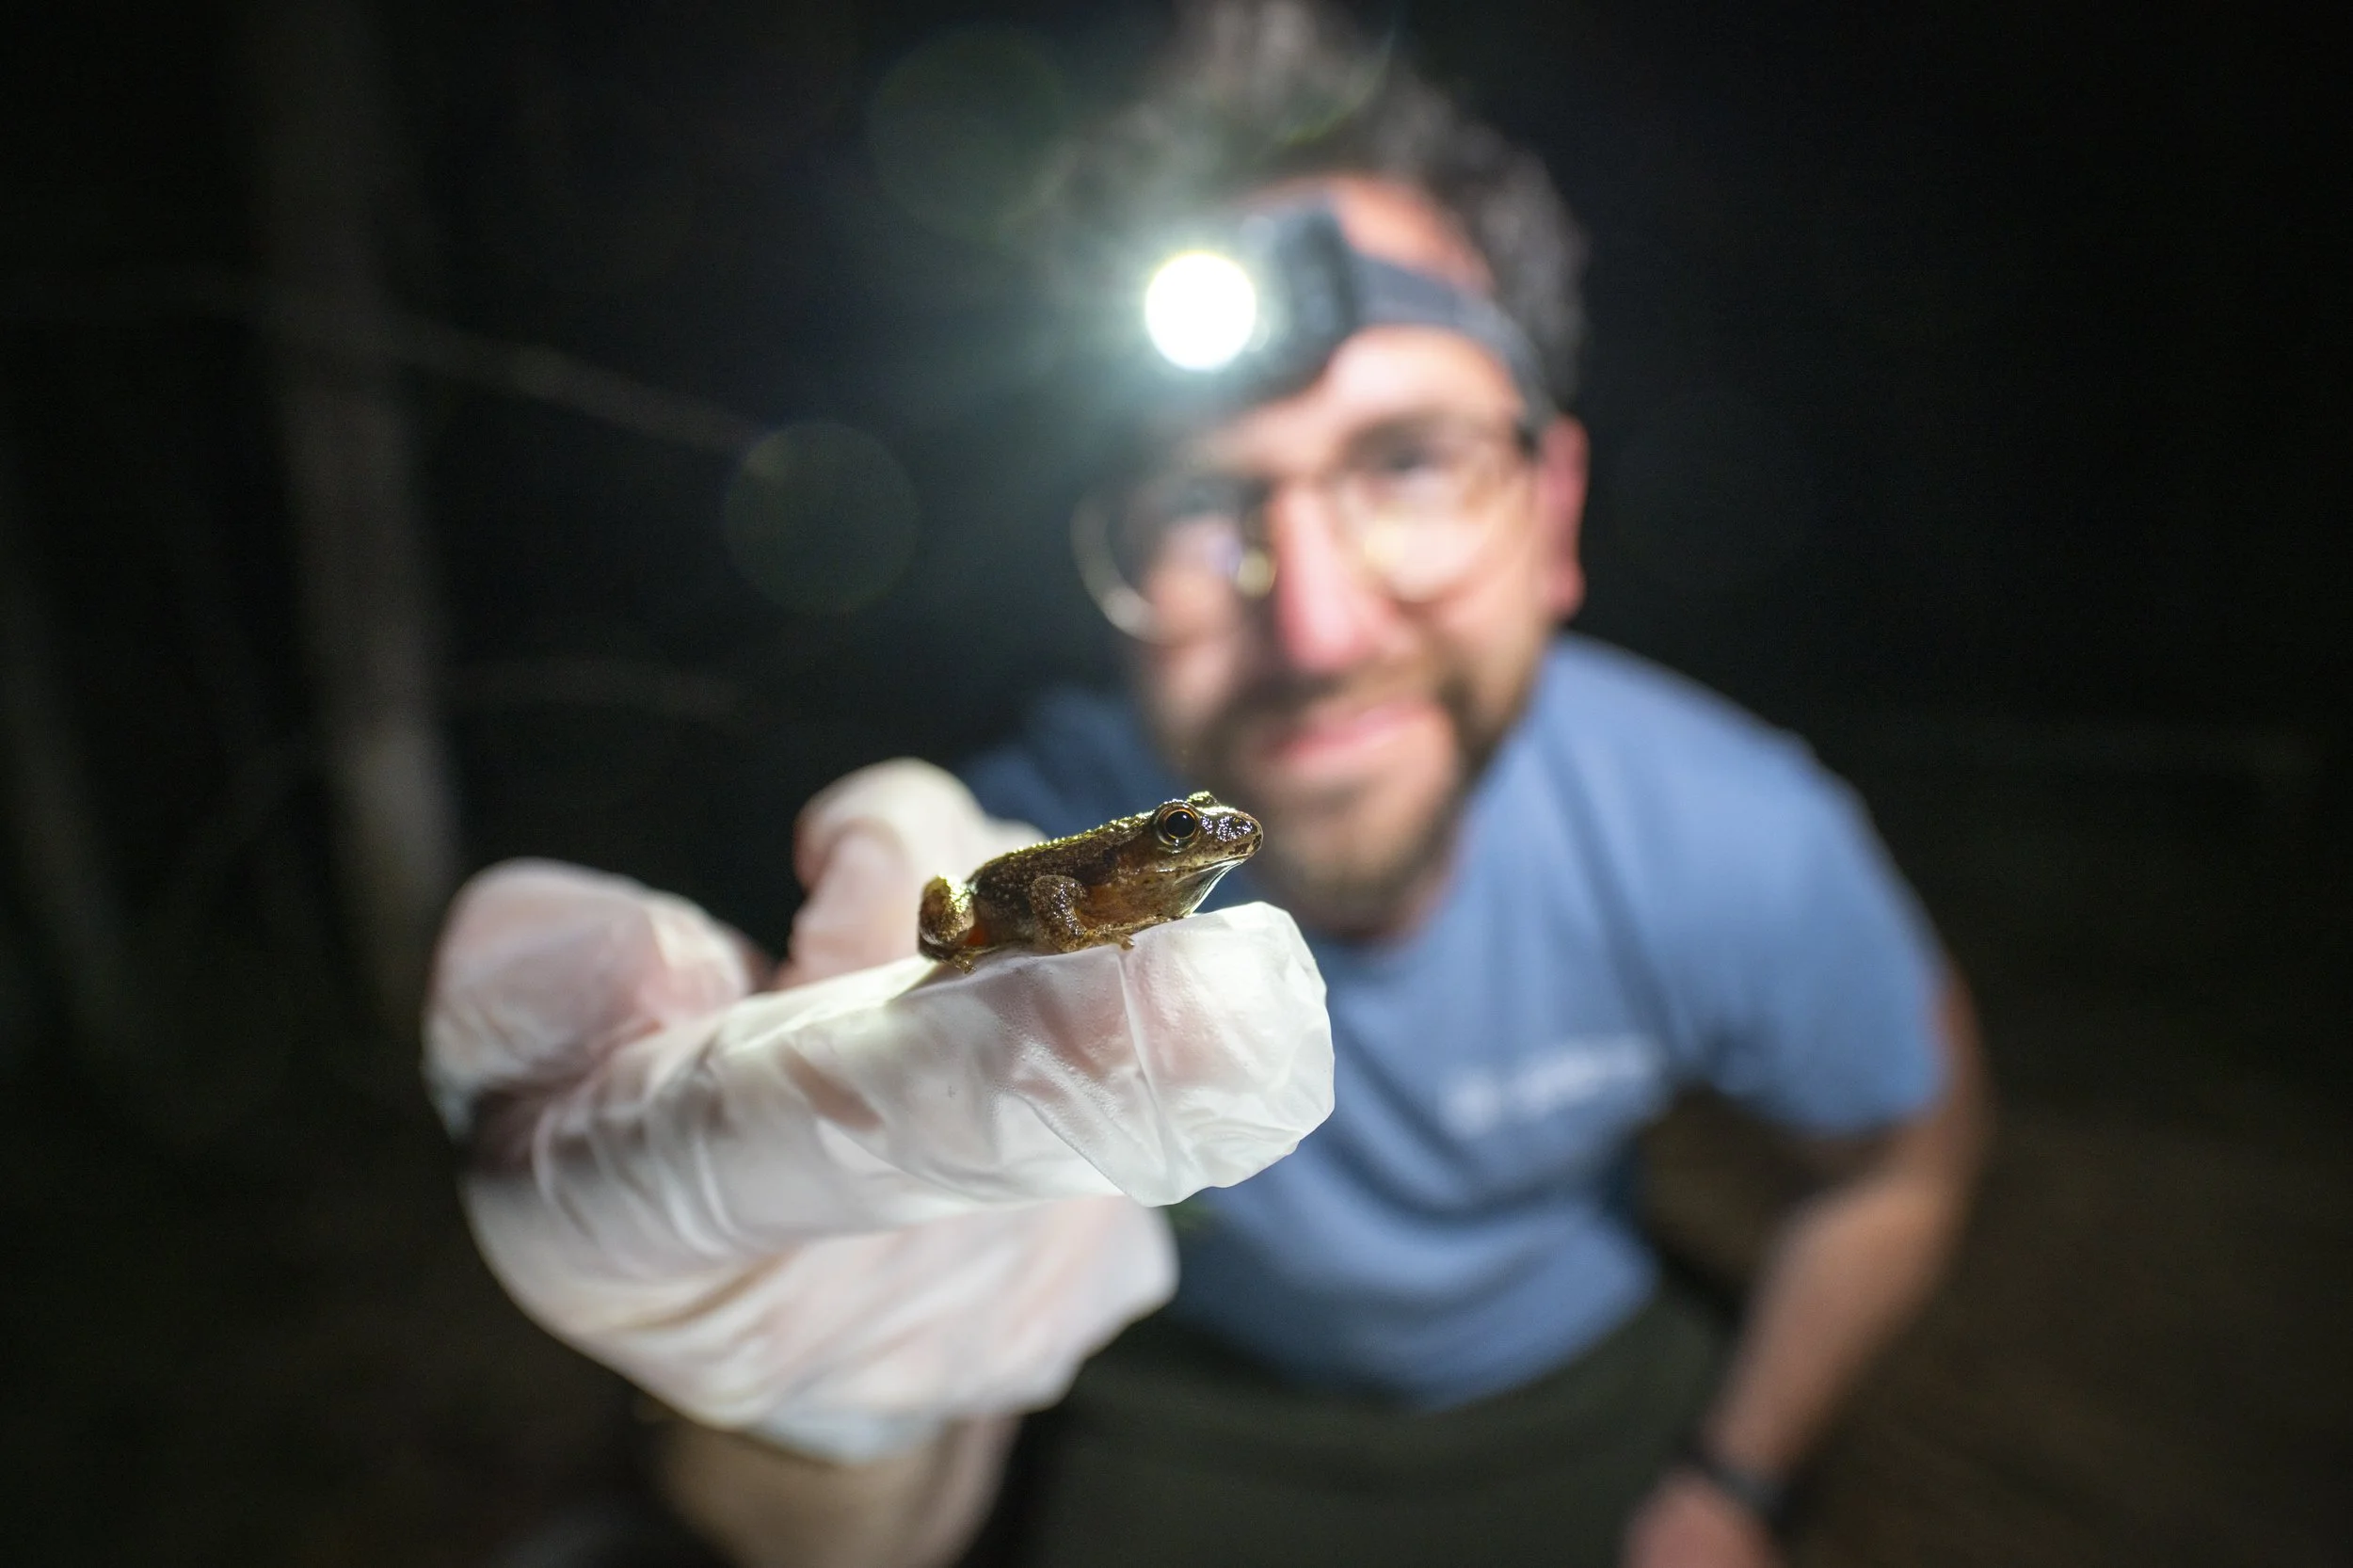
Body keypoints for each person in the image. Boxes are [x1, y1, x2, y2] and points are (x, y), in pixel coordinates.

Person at [424, 5, 1989, 1566]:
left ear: (1554, 510)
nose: (1314, 624)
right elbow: (845, 1528)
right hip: (1181, 1414)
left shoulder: (1733, 836)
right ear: (1107, 562)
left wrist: (1738, 1481)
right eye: (1203, 501)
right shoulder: (1018, 816)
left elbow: (1904, 1160)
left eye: (1409, 462)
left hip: (1579, 1395)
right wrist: (813, 1382)